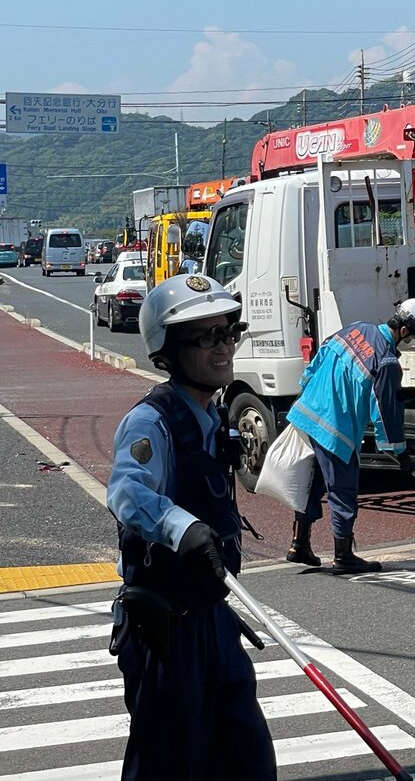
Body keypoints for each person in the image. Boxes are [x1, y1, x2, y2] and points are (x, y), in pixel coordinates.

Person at [107, 273, 276, 780]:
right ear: (168, 350)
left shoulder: (213, 416)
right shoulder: (152, 420)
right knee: (170, 765)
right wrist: (183, 528)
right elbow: (127, 491)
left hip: (213, 618)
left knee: (247, 759)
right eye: (205, 337)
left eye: (228, 331)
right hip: (165, 630)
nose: (224, 346)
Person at [285, 298, 415, 573]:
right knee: (343, 489)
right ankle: (343, 556)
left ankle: (300, 544)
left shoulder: (355, 329)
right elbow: (385, 412)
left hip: (308, 411)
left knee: (314, 481)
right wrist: (399, 452)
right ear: (404, 330)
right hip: (335, 428)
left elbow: (318, 358)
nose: (412, 341)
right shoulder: (387, 360)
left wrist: (306, 388)